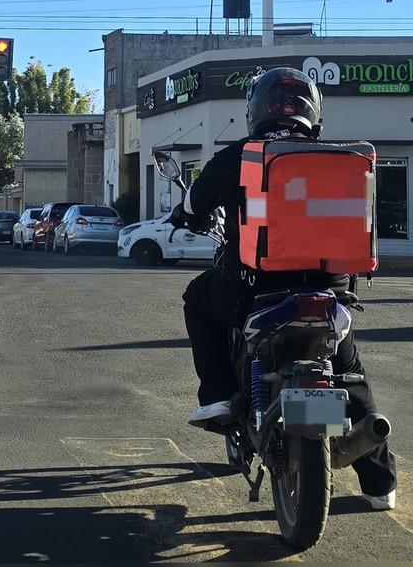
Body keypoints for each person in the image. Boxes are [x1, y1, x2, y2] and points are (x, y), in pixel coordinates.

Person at [170, 66, 398, 510]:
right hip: (329, 294)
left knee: (197, 299)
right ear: (313, 113)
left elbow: (194, 203)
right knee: (350, 376)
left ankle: (217, 395)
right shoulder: (341, 157)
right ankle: (380, 485)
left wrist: (188, 215)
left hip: (254, 290)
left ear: (255, 111)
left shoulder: (243, 155)